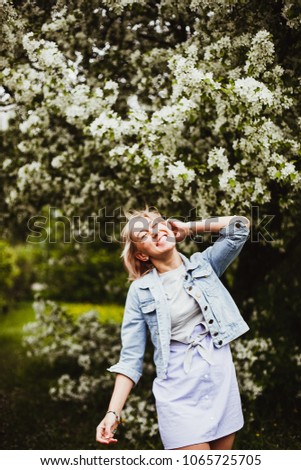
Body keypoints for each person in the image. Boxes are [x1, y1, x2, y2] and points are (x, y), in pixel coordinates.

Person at [96, 206, 251, 450]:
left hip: (219, 381)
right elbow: (130, 359)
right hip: (179, 391)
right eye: (145, 235)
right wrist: (112, 413)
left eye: (157, 225)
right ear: (142, 256)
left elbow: (239, 227)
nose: (155, 233)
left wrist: (189, 227)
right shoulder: (139, 291)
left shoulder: (205, 265)